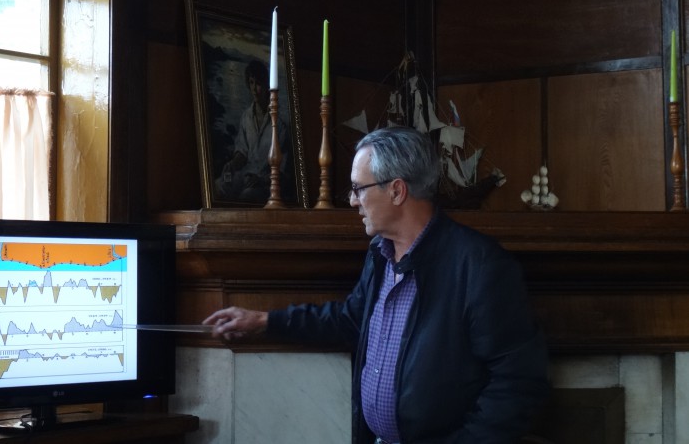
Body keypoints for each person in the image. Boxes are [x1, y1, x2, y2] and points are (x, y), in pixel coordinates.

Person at [203, 126, 550, 443]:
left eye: (358, 189)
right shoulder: (379, 254)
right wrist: (265, 321)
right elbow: (350, 320)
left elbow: (517, 383)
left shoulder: (480, 265)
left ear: (397, 190)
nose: (352, 200)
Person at [215, 59, 290, 202]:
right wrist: (232, 164)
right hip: (246, 175)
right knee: (218, 186)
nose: (254, 89)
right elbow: (243, 152)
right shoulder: (246, 117)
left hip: (266, 183)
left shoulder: (280, 123)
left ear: (266, 85)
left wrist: (262, 179)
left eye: (258, 83)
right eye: (251, 83)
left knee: (246, 196)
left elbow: (282, 169)